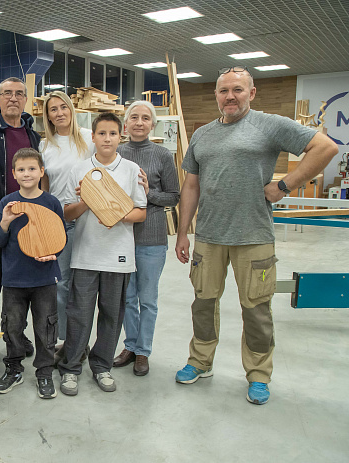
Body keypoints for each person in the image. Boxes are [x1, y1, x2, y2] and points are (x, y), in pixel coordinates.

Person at [174, 66, 338, 405]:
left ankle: (259, 375)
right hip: (209, 235)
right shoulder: (203, 135)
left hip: (254, 235)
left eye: (237, 89)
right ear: (216, 95)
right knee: (203, 303)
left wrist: (285, 185)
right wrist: (182, 232)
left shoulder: (270, 124)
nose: (229, 96)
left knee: (256, 309)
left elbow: (325, 147)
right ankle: (200, 361)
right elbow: (191, 184)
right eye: (223, 90)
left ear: (252, 93)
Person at [58, 112, 147, 396]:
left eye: (112, 133)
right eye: (101, 133)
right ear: (93, 137)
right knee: (79, 314)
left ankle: (102, 366)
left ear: (120, 137)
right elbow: (66, 212)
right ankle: (71, 368)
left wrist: (115, 214)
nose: (107, 138)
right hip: (85, 254)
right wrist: (86, 201)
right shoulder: (80, 169)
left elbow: (141, 212)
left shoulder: (132, 170)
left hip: (118, 256)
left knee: (111, 314)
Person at [0, 77, 42, 366]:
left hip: (26, 222)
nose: (13, 98)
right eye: (7, 94)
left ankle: (17, 335)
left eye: (19, 94)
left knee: (19, 285)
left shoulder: (34, 134)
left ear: (26, 99)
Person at [113, 101, 180, 376]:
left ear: (153, 124)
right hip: (120, 237)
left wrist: (148, 192)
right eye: (134, 118)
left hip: (152, 238)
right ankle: (130, 345)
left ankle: (143, 352)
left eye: (145, 118)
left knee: (148, 299)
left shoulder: (162, 155)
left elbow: (174, 196)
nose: (139, 122)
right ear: (125, 124)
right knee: (127, 297)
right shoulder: (115, 152)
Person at [0, 148, 64, 399]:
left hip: (44, 277)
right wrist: (6, 221)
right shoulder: (7, 202)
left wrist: (54, 253)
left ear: (41, 171)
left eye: (32, 168)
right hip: (14, 278)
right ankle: (13, 368)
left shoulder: (51, 203)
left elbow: (59, 237)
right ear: (13, 174)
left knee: (46, 327)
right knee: (12, 325)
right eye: (21, 169)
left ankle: (44, 371)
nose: (27, 173)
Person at [39, 90, 94, 362]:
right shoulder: (45, 146)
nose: (59, 113)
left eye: (63, 107)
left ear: (71, 109)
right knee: (61, 284)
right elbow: (45, 183)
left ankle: (79, 341)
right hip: (58, 220)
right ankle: (68, 340)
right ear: (47, 115)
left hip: (86, 217)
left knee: (82, 284)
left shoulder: (87, 137)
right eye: (53, 109)